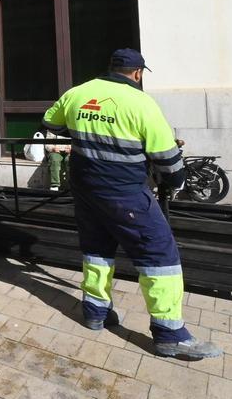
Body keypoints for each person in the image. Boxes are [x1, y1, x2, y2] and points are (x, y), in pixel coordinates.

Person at [43, 48, 222, 360]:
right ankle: (170, 334)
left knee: (97, 249)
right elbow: (167, 159)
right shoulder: (141, 103)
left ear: (110, 67)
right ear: (138, 74)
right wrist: (177, 182)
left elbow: (50, 122)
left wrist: (86, 128)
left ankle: (95, 312)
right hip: (124, 193)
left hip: (86, 191)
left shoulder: (78, 93)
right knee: (159, 253)